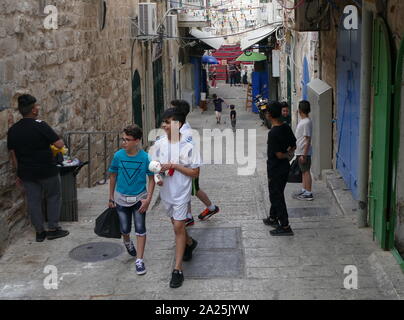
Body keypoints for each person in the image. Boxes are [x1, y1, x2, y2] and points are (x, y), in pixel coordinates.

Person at [150, 108, 201, 288]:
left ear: (178, 124)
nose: (163, 125)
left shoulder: (188, 145)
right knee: (176, 226)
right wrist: (157, 177)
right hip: (166, 194)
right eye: (163, 122)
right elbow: (154, 167)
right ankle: (189, 242)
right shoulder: (159, 144)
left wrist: (174, 165)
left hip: (181, 193)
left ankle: (177, 269)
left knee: (178, 226)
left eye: (167, 122)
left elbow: (195, 172)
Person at [7, 94, 69, 242]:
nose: (38, 109)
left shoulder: (13, 130)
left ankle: (39, 232)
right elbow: (60, 144)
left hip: (27, 173)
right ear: (33, 110)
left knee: (33, 201)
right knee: (53, 197)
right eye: (36, 106)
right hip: (47, 170)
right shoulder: (41, 125)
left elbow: (13, 155)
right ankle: (53, 228)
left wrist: (18, 173)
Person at [108, 125, 156, 275]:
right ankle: (127, 241)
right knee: (125, 229)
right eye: (123, 139)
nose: (124, 142)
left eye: (127, 140)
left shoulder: (145, 158)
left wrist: (148, 199)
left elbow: (151, 179)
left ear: (136, 141)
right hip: (121, 199)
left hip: (139, 200)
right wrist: (111, 198)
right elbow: (113, 176)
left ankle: (139, 260)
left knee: (140, 229)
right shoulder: (118, 156)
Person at [170, 100, 220, 226]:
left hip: (189, 167)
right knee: (191, 189)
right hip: (183, 167)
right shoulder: (178, 126)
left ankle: (205, 210)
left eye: (172, 109)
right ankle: (192, 214)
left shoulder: (184, 130)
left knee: (190, 189)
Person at [262, 101, 296, 236]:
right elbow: (293, 145)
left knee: (276, 196)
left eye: (266, 111)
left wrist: (284, 155)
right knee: (277, 193)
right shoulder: (286, 127)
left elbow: (278, 154)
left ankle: (285, 226)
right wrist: (288, 155)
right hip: (284, 168)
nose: (265, 113)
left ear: (270, 115)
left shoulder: (273, 133)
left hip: (275, 169)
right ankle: (273, 217)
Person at [294, 100, 313, 201]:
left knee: (306, 171)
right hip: (300, 151)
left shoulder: (306, 122)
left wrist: (304, 155)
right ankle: (304, 190)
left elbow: (307, 139)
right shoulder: (304, 121)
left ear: (300, 109)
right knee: (303, 171)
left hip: (303, 152)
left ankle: (308, 192)